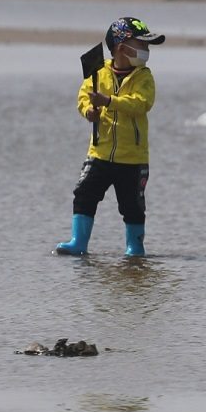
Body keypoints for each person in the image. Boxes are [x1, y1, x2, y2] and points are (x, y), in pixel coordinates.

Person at [56, 17, 167, 258]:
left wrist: (108, 101)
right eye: (142, 45)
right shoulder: (98, 71)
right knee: (84, 194)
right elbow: (83, 97)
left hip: (132, 158)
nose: (146, 51)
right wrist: (89, 111)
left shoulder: (144, 77)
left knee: (132, 206)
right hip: (100, 153)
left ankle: (135, 247)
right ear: (121, 48)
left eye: (147, 46)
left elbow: (141, 103)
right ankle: (78, 242)